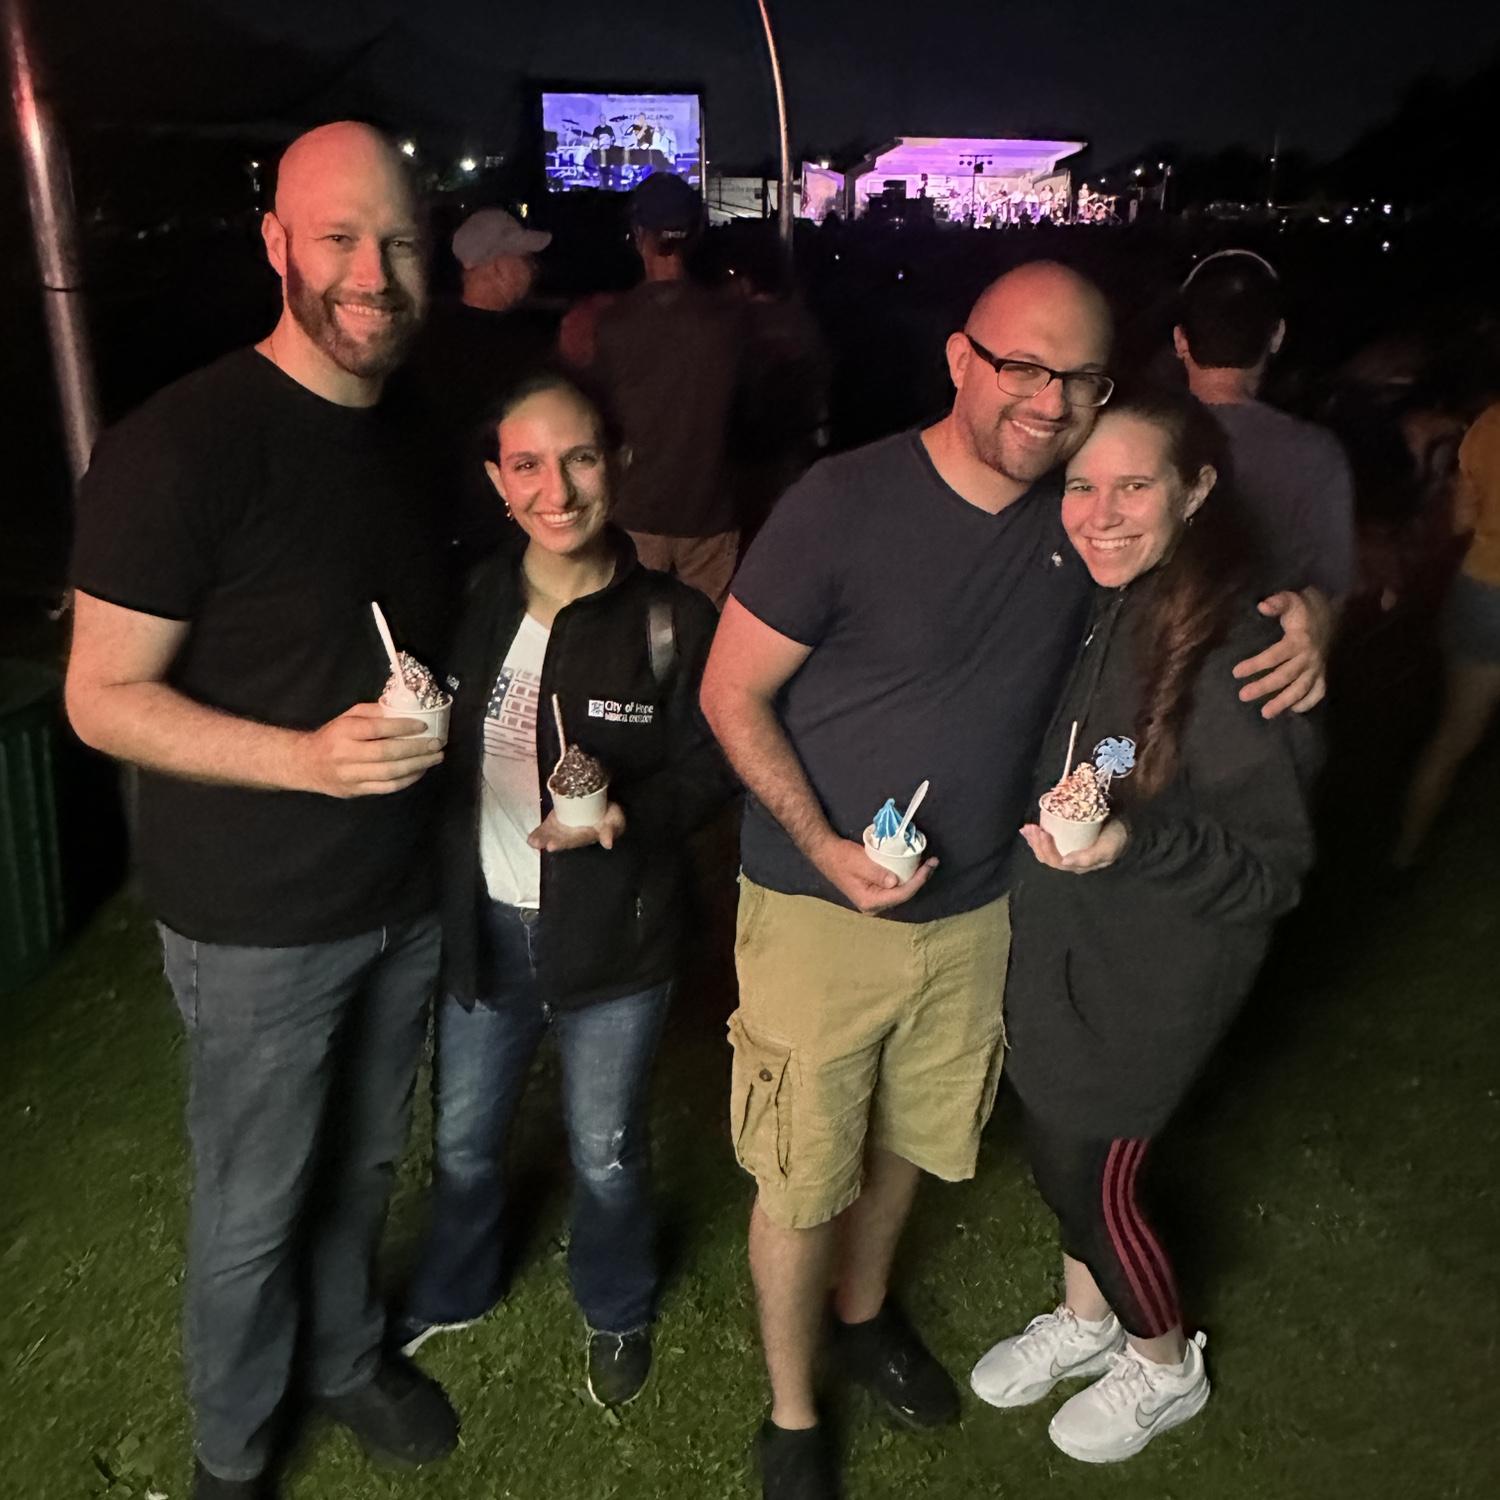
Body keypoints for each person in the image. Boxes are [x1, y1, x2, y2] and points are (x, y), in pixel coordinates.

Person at [699, 260, 1330, 1500]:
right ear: (959, 358)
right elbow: (729, 692)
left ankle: (868, 1317)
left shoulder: (1077, 520)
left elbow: (1197, 558)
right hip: (823, 911)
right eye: (1020, 367)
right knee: (802, 1173)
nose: (1047, 402)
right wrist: (823, 847)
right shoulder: (844, 500)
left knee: (909, 1143)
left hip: (987, 912)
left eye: (1077, 378)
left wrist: (1306, 614)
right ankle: (791, 1410)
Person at [64, 123, 458, 1500]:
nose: (374, 273)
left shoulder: (414, 428)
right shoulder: (183, 444)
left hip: (401, 891)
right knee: (252, 1204)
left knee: (364, 1160)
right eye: (339, 238)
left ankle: (343, 1357)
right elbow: (100, 697)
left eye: (399, 241)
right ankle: (232, 1450)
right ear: (276, 244)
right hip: (255, 920)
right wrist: (304, 760)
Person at [970, 387, 1320, 1463]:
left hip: (1151, 986)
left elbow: (1271, 871)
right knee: (1055, 1156)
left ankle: (1165, 1364)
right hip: (1067, 954)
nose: (1100, 512)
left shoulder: (1241, 648)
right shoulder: (1110, 596)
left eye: (1134, 485)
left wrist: (1132, 844)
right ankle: (1085, 1321)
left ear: (1196, 490)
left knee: (1095, 1185)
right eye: (1082, 484)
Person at [390, 373, 732, 1407]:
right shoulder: (470, 601)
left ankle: (616, 1303)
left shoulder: (672, 620)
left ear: (618, 463)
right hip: (485, 926)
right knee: (461, 1139)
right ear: (499, 481)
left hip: (616, 936)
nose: (558, 489)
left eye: (580, 458)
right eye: (528, 465)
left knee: (607, 1149)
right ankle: (456, 1285)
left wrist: (634, 812)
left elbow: (714, 766)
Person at [589, 173, 747, 606]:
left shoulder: (614, 323)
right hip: (709, 511)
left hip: (636, 510)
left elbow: (601, 416)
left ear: (638, 234)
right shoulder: (730, 320)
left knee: (632, 630)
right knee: (703, 634)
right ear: (695, 234)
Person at [1174, 249, 1356, 602]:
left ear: (1180, 340)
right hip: (1266, 635)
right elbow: (1334, 587)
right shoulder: (1316, 454)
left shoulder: (1135, 435)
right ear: (1277, 336)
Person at [398, 206, 558, 566]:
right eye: (525, 259)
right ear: (498, 267)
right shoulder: (521, 346)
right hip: (497, 523)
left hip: (436, 519)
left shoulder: (422, 336)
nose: (533, 269)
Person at [1393, 395, 1500, 866]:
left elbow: (1460, 520)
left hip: (1483, 591)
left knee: (1453, 735)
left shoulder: (1488, 425)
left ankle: (1403, 854)